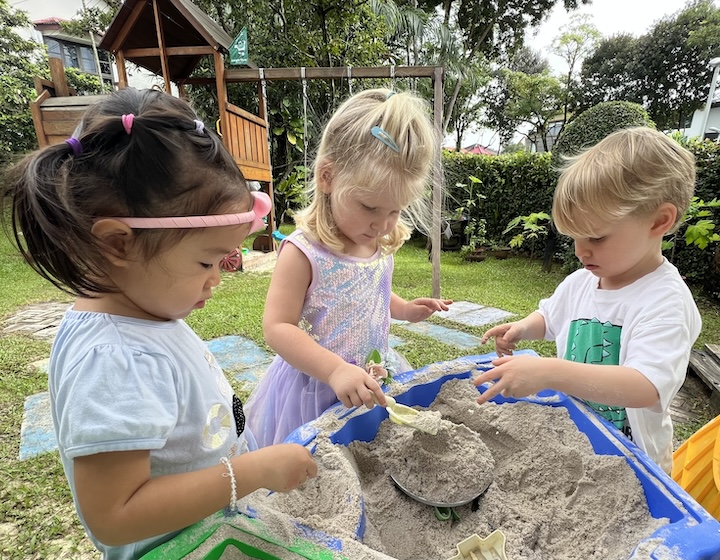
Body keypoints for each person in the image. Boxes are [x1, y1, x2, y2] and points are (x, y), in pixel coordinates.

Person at [3, 87, 317, 560]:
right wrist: (252, 472)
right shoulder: (114, 358)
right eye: (205, 262)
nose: (216, 280)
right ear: (119, 244)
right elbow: (114, 515)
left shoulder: (145, 313)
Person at [476, 127, 701, 474]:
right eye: (575, 238)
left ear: (659, 221)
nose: (581, 250)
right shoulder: (582, 281)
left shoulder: (665, 301)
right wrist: (522, 328)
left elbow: (646, 386)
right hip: (579, 439)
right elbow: (551, 318)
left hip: (633, 461)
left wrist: (549, 372)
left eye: (596, 236)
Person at [245, 88, 452, 447]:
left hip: (374, 370)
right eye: (371, 207)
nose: (384, 224)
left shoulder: (376, 243)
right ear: (328, 177)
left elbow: (373, 294)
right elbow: (277, 327)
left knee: (371, 443)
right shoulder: (305, 251)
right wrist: (335, 370)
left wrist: (403, 308)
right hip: (318, 385)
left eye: (395, 210)